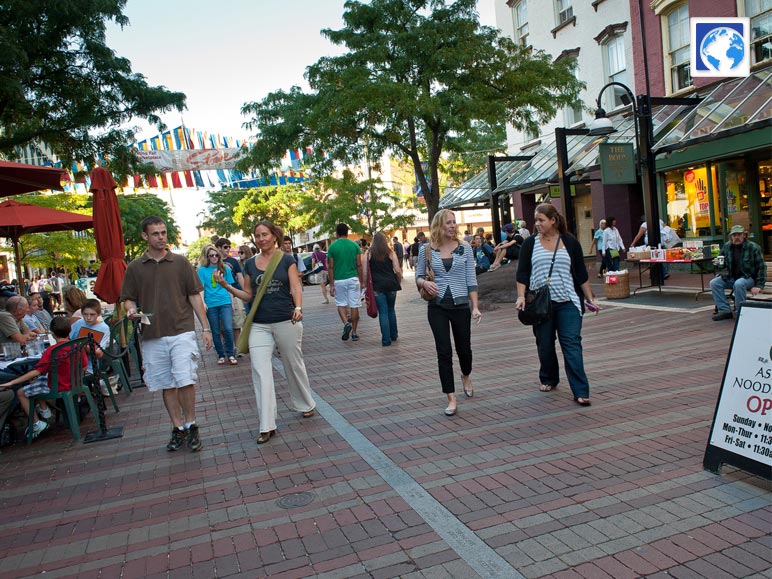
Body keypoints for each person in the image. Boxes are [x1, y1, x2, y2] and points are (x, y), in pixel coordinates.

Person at [215, 220, 315, 444]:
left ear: (274, 235)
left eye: (265, 234)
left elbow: (295, 287)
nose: (261, 239)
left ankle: (305, 403)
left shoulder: (286, 259)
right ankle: (266, 424)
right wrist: (226, 286)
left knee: (293, 363)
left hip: (285, 319)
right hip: (259, 324)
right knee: (260, 371)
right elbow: (248, 295)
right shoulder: (250, 264)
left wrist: (298, 308)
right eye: (257, 235)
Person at [121, 216, 213, 452]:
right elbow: (128, 298)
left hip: (181, 330)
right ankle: (177, 428)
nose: (161, 237)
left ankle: (192, 425)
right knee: (166, 384)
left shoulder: (180, 262)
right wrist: (131, 310)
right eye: (155, 233)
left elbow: (194, 296)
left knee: (185, 380)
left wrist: (205, 328)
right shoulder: (134, 267)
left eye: (163, 233)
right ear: (145, 236)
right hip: (152, 333)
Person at [515, 203, 598, 406]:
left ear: (553, 220)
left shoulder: (569, 243)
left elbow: (581, 274)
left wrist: (590, 299)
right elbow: (523, 273)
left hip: (568, 301)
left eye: (541, 220)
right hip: (541, 304)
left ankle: (581, 391)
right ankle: (549, 377)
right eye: (536, 220)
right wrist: (521, 296)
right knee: (545, 344)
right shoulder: (529, 244)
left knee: (571, 344)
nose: (537, 224)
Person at [415, 209, 482, 416]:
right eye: (448, 223)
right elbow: (417, 277)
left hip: (461, 306)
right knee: (443, 351)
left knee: (465, 349)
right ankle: (451, 397)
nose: (452, 226)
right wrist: (425, 282)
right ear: (439, 225)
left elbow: (471, 280)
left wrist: (476, 307)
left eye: (454, 222)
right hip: (437, 307)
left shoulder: (464, 248)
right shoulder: (426, 250)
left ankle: (466, 374)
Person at [0, 317, 83, 441]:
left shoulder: (51, 351)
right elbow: (84, 365)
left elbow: (36, 371)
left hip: (58, 385)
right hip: (74, 382)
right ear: (70, 330)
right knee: (35, 382)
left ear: (53, 334)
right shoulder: (76, 346)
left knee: (21, 392)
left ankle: (37, 423)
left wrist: (13, 382)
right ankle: (44, 409)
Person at [710, 225, 766, 321]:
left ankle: (740, 311)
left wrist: (759, 285)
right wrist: (718, 265)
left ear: (744, 235)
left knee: (739, 283)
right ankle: (724, 311)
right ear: (731, 236)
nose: (736, 237)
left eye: (739, 234)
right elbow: (721, 265)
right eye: (734, 235)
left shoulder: (753, 247)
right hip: (731, 277)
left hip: (748, 278)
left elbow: (761, 267)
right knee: (714, 282)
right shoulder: (727, 247)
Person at [198, 244, 237, 366]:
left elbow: (230, 286)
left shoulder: (225, 268)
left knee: (228, 328)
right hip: (211, 303)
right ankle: (221, 355)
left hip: (225, 301)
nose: (214, 257)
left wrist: (232, 302)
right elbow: (201, 288)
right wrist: (203, 302)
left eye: (216, 255)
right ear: (207, 257)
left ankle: (230, 354)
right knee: (215, 331)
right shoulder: (202, 270)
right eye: (211, 255)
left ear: (219, 256)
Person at [327, 223, 364, 342]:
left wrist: (331, 284)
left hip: (339, 280)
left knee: (340, 304)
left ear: (337, 233)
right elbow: (359, 264)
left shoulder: (332, 247)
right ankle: (354, 332)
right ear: (347, 233)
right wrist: (362, 281)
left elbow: (331, 267)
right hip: (353, 278)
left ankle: (345, 323)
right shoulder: (354, 246)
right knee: (354, 305)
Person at [366, 232, 402, 346]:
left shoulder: (369, 253)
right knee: (391, 309)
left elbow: (365, 271)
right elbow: (397, 270)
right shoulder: (391, 252)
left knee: (383, 312)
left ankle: (386, 340)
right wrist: (398, 281)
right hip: (391, 284)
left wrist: (364, 285)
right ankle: (394, 335)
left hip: (377, 286)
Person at [215, 238, 246, 348]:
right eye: (225, 247)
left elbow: (240, 277)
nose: (228, 249)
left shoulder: (233, 261)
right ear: (218, 248)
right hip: (220, 294)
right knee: (222, 323)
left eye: (229, 246)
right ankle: (228, 344)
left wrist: (245, 293)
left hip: (234, 291)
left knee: (237, 321)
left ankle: (237, 346)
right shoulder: (213, 262)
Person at [69, 298, 110, 371]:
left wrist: (85, 346)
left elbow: (99, 354)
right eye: (85, 314)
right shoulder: (79, 323)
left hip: (91, 366)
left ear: (99, 314)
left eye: (92, 314)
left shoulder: (104, 328)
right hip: (73, 361)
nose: (88, 318)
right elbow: (67, 337)